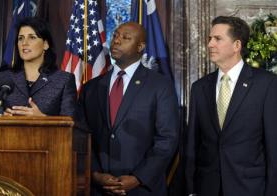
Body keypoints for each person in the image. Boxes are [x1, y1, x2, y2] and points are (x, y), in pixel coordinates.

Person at [77, 22, 179, 196]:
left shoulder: (160, 86)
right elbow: (82, 136)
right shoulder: (91, 88)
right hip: (98, 189)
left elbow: (167, 139)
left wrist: (138, 178)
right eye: (115, 35)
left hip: (142, 189)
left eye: (125, 38)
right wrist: (95, 174)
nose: (117, 41)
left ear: (140, 46)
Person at [185, 16, 277, 196]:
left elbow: (273, 148)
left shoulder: (267, 84)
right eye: (209, 39)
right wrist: (190, 190)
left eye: (217, 39)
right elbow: (192, 146)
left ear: (237, 45)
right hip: (207, 188)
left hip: (250, 189)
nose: (210, 44)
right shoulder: (199, 88)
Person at [0, 17, 77, 117]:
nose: (24, 43)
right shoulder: (4, 78)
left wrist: (43, 119)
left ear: (45, 44)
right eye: (20, 38)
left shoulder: (63, 80)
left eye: (32, 37)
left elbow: (70, 126)